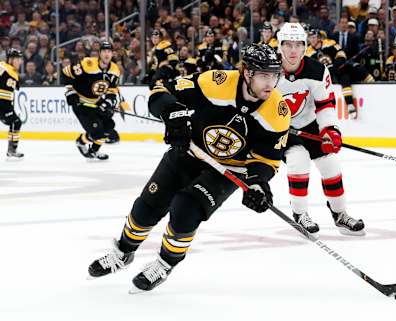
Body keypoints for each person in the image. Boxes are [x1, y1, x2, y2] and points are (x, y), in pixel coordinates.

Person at [87, 43, 291, 292]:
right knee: (147, 207)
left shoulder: (278, 111)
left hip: (229, 170)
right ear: (247, 72)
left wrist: (258, 183)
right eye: (264, 75)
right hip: (190, 151)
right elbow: (161, 91)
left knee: (185, 210)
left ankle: (164, 263)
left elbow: (267, 160)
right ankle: (123, 252)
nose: (271, 83)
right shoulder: (216, 82)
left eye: (274, 75)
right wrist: (173, 114)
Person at [276, 23, 365, 236]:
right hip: (280, 130)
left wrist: (329, 130)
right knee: (298, 160)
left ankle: (340, 214)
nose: (293, 50)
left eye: (299, 44)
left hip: (309, 125)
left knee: (330, 164)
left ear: (305, 46)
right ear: (280, 45)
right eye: (288, 44)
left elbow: (324, 105)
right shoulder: (268, 68)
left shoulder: (316, 70)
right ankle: (299, 214)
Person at [61, 41, 122, 160]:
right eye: (104, 51)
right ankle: (81, 141)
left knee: (108, 127)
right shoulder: (88, 64)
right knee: (97, 133)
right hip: (81, 103)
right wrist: (70, 91)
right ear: (99, 53)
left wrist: (108, 102)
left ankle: (93, 151)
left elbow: (112, 89)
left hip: (96, 102)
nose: (106, 54)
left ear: (112, 54)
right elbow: (66, 73)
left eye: (109, 51)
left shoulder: (115, 70)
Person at [0, 48, 24, 158]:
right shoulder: (3, 67)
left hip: (6, 105)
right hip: (2, 104)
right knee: (15, 122)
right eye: (18, 59)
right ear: (10, 59)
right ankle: (12, 150)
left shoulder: (13, 72)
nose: (20, 62)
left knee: (15, 122)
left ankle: (12, 149)